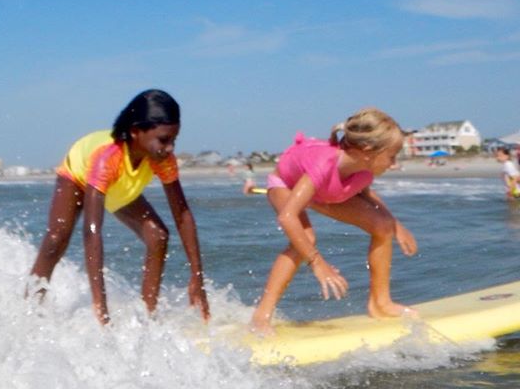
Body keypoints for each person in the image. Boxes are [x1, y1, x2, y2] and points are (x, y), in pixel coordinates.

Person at [28, 89, 210, 325]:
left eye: (174, 140)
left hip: (118, 187)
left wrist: (197, 277)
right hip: (78, 177)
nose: (170, 148)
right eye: (164, 140)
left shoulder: (163, 159)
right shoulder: (108, 158)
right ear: (135, 131)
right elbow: (92, 232)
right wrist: (101, 309)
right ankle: (30, 309)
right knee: (57, 238)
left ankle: (148, 316)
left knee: (158, 236)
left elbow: (182, 214)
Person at [250, 107, 418, 334]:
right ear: (368, 150)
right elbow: (287, 216)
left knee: (382, 226)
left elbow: (367, 195)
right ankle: (261, 315)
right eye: (391, 156)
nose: (393, 163)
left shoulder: (364, 171)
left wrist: (395, 225)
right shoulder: (324, 164)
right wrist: (318, 263)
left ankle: (380, 303)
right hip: (287, 186)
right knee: (306, 237)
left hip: (325, 192)